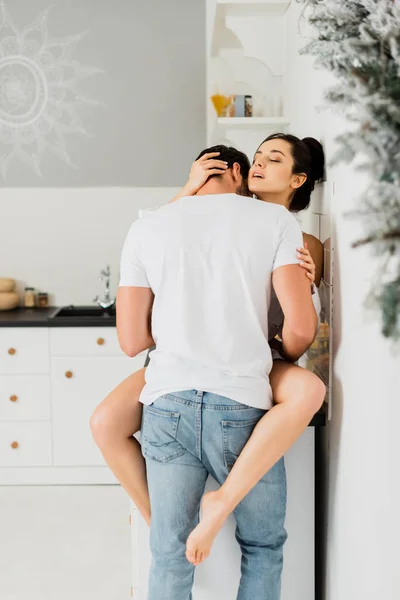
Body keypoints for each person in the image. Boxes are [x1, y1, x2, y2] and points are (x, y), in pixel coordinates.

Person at [91, 135, 325, 597]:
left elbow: (132, 340)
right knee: (262, 547)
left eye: (272, 159)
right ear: (239, 174)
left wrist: (182, 325)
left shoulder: (150, 226)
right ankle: (205, 512)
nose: (259, 167)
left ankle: (165, 526)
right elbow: (300, 327)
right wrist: (278, 348)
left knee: (168, 551)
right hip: (240, 398)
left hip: (168, 398)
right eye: (255, 160)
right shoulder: (275, 223)